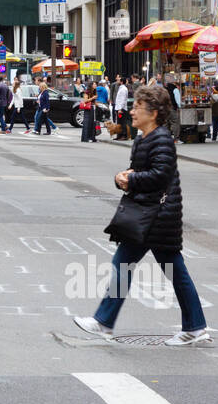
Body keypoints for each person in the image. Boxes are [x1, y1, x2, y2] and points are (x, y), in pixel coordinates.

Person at [73, 85, 211, 346]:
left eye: (138, 106)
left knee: (132, 266)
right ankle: (194, 327)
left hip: (156, 218)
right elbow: (140, 172)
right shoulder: (145, 138)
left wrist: (132, 178)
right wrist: (122, 177)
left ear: (154, 112)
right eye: (134, 105)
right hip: (149, 216)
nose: (132, 110)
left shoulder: (160, 139)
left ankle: (104, 322)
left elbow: (160, 175)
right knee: (168, 272)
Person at [113, 75, 130, 140]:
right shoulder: (121, 88)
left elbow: (122, 100)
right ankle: (119, 135)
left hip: (121, 109)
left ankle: (124, 135)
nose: (118, 81)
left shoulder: (123, 89)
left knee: (122, 122)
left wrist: (120, 109)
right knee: (119, 122)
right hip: (119, 108)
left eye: (119, 80)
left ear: (122, 81)